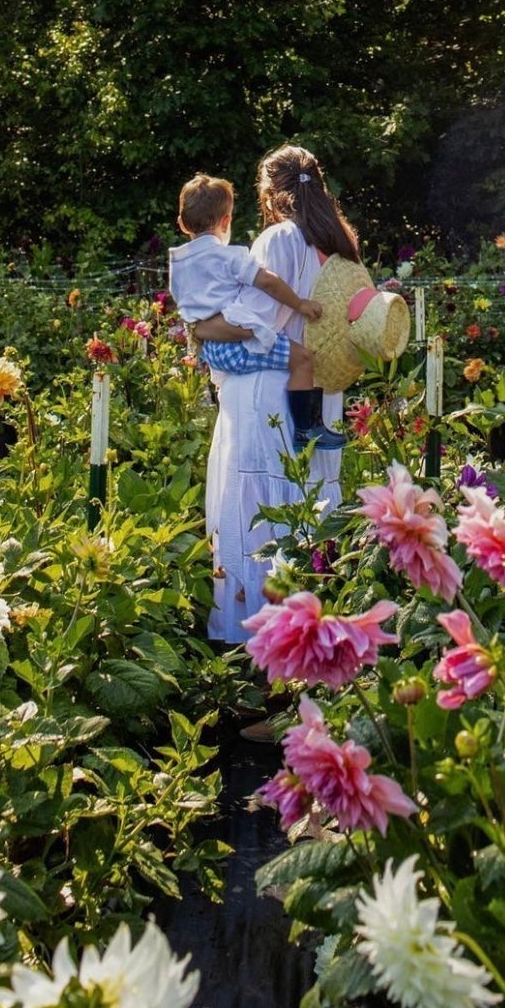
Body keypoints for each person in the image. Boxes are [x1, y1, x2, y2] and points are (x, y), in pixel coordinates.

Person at [193, 144, 362, 644]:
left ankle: (261, 661)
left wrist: (202, 327)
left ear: (269, 194)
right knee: (308, 511)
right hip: (315, 394)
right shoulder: (339, 245)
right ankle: (307, 653)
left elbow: (253, 320)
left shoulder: (280, 239)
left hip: (267, 395)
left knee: (263, 516)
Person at [169, 174, 345, 450]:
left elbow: (186, 304)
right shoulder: (229, 257)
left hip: (209, 347)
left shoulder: (177, 262)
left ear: (181, 223)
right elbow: (267, 282)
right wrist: (299, 304)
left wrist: (200, 327)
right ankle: (306, 428)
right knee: (302, 359)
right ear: (226, 221)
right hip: (234, 344)